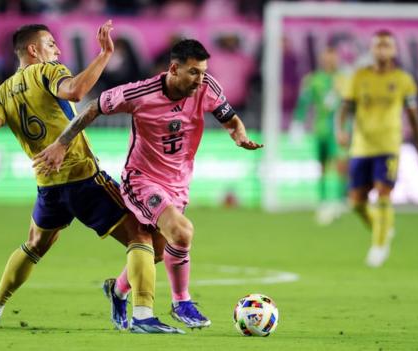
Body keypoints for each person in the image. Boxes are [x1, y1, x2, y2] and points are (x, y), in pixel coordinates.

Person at [0, 22, 183, 334]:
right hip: (84, 178)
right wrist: (104, 54)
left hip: (49, 187)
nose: (57, 50)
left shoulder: (2, 92)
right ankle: (139, 313)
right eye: (50, 44)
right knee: (146, 239)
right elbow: (75, 90)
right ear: (33, 50)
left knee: (34, 244)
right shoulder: (46, 71)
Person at [34, 39, 263, 329]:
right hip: (141, 179)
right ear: (173, 68)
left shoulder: (208, 88)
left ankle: (117, 291)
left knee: (156, 250)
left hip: (178, 183)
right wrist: (62, 143)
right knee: (182, 231)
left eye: (203, 72)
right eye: (193, 72)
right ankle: (182, 303)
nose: (200, 79)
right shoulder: (140, 93)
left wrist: (238, 135)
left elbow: (230, 120)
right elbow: (94, 107)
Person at [336, 30, 418, 268]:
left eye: (386, 45)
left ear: (394, 50)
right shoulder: (359, 77)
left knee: (383, 192)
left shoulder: (403, 80)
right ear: (371, 49)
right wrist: (341, 130)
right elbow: (345, 108)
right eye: (377, 46)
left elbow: (414, 116)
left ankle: (379, 245)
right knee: (357, 202)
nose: (382, 50)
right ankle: (382, 228)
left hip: (388, 145)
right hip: (361, 145)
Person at [292, 47, 348, 225]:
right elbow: (304, 102)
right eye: (326, 58)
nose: (329, 61)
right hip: (321, 128)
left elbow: (352, 103)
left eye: (332, 58)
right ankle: (323, 201)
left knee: (340, 164)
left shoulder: (343, 79)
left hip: (339, 129)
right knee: (323, 166)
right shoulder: (313, 80)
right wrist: (298, 124)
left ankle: (340, 200)